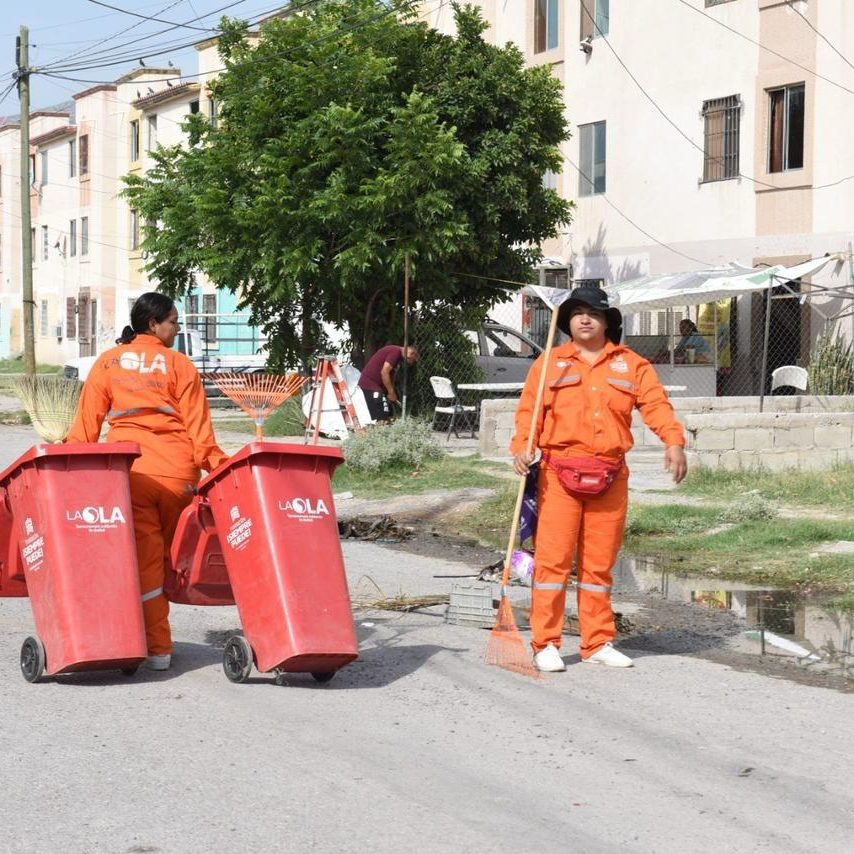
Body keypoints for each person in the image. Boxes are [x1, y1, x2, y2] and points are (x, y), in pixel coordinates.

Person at [511, 286, 687, 672]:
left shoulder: (633, 365)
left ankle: (597, 642)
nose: (585, 319)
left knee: (598, 565)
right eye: (577, 313)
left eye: (594, 313)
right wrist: (522, 446)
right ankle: (546, 644)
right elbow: (529, 411)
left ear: (608, 321)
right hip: (559, 472)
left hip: (610, 474)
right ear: (568, 322)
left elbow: (656, 405)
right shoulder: (548, 365)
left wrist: (673, 442)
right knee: (553, 563)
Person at [67, 292, 228, 670]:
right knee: (175, 558)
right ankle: (154, 634)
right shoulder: (179, 365)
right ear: (153, 324)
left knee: (147, 562)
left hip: (132, 477)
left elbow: (85, 431)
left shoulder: (108, 362)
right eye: (173, 321)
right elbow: (201, 435)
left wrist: (68, 465)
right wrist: (220, 466)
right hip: (178, 476)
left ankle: (158, 650)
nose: (177, 328)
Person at [357, 344, 419, 423]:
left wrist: (388, 393)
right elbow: (385, 372)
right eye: (414, 360)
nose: (412, 363)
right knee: (381, 418)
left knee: (389, 416)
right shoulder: (395, 352)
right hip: (370, 385)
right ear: (412, 353)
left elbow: (391, 376)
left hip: (377, 386)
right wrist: (391, 393)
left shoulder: (398, 356)